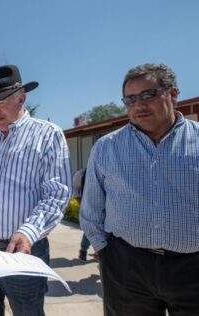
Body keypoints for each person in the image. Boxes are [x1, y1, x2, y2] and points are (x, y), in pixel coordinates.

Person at [80, 63, 199, 315]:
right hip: (127, 269)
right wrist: (106, 255)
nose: (139, 104)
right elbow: (91, 211)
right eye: (130, 98)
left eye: (148, 94)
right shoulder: (106, 148)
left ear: (173, 93)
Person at [0, 65, 72, 315]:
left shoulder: (47, 134)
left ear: (22, 98)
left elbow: (57, 193)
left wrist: (29, 232)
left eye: (1, 101)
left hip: (23, 253)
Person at [72, 168, 91, 261]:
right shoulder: (81, 174)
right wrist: (83, 206)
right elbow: (75, 192)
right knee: (90, 229)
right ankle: (83, 251)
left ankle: (100, 253)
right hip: (89, 205)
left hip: (107, 206)